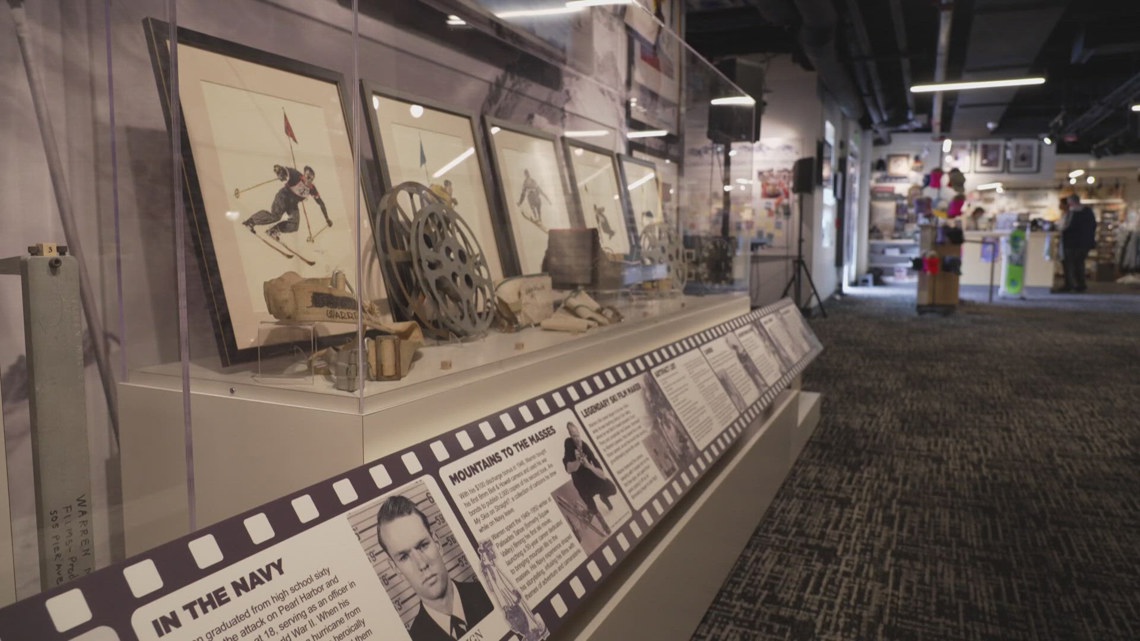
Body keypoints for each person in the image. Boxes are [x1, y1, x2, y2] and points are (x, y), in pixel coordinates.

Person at [376, 495, 493, 641]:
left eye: (423, 545)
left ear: (437, 544)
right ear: (396, 569)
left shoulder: (490, 593)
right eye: (404, 557)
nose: (422, 564)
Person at [243, 164, 331, 240]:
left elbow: (321, 203)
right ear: (304, 175)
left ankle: (274, 230)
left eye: (311, 179)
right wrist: (279, 171)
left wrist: (327, 218)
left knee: (294, 225)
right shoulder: (296, 176)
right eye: (308, 177)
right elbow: (286, 171)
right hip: (283, 197)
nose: (309, 180)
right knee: (276, 216)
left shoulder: (312, 189)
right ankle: (251, 221)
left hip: (292, 205)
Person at [563, 422, 616, 534]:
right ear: (570, 436)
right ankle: (603, 524)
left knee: (612, 488)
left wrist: (588, 465)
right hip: (582, 484)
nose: (576, 438)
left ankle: (604, 497)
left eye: (577, 435)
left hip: (592, 479)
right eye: (573, 435)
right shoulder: (568, 444)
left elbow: (602, 474)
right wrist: (578, 461)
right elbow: (569, 469)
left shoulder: (585, 446)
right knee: (592, 507)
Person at [1057, 194, 1097, 293]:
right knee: (1079, 263)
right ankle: (1081, 284)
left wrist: (1060, 229)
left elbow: (1066, 227)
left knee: (1069, 264)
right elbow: (1093, 226)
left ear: (1071, 202)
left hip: (1071, 242)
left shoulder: (1072, 213)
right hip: (1085, 243)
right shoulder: (1088, 211)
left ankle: (1069, 284)